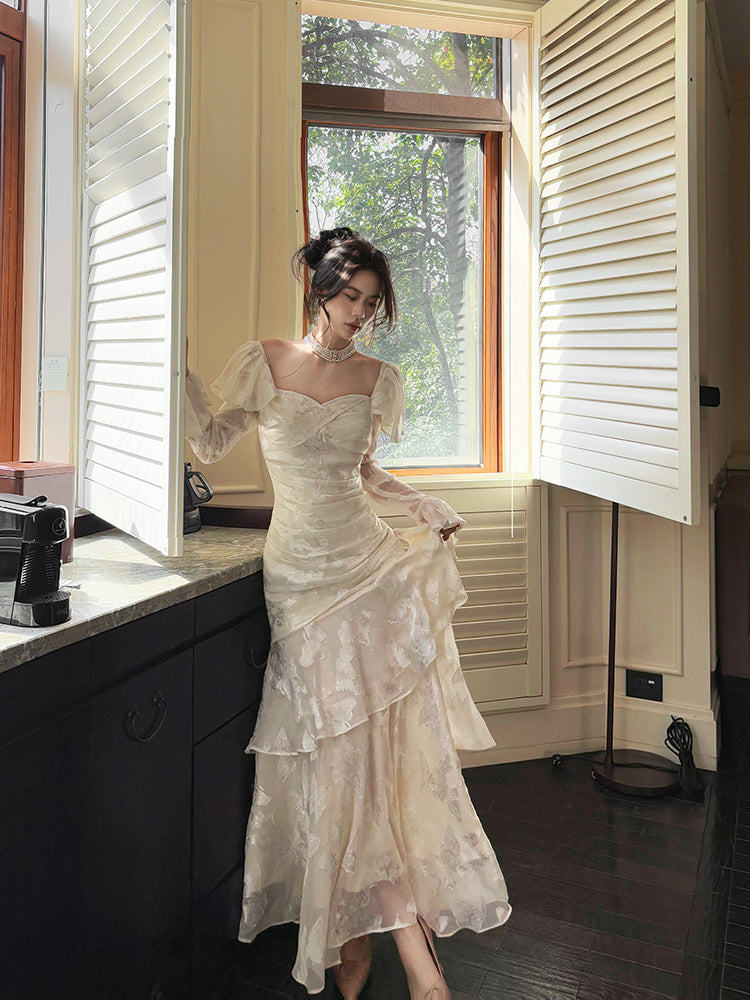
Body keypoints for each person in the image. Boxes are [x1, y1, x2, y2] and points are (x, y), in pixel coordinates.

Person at [184, 228, 510, 999]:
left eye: (371, 302)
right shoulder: (266, 361)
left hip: (367, 570)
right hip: (299, 581)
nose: (360, 313)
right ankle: (379, 941)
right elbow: (211, 440)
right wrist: (176, 370)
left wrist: (421, 502)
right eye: (350, 297)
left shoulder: (376, 376)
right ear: (319, 288)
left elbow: (364, 471)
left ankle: (383, 944)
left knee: (366, 756)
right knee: (337, 755)